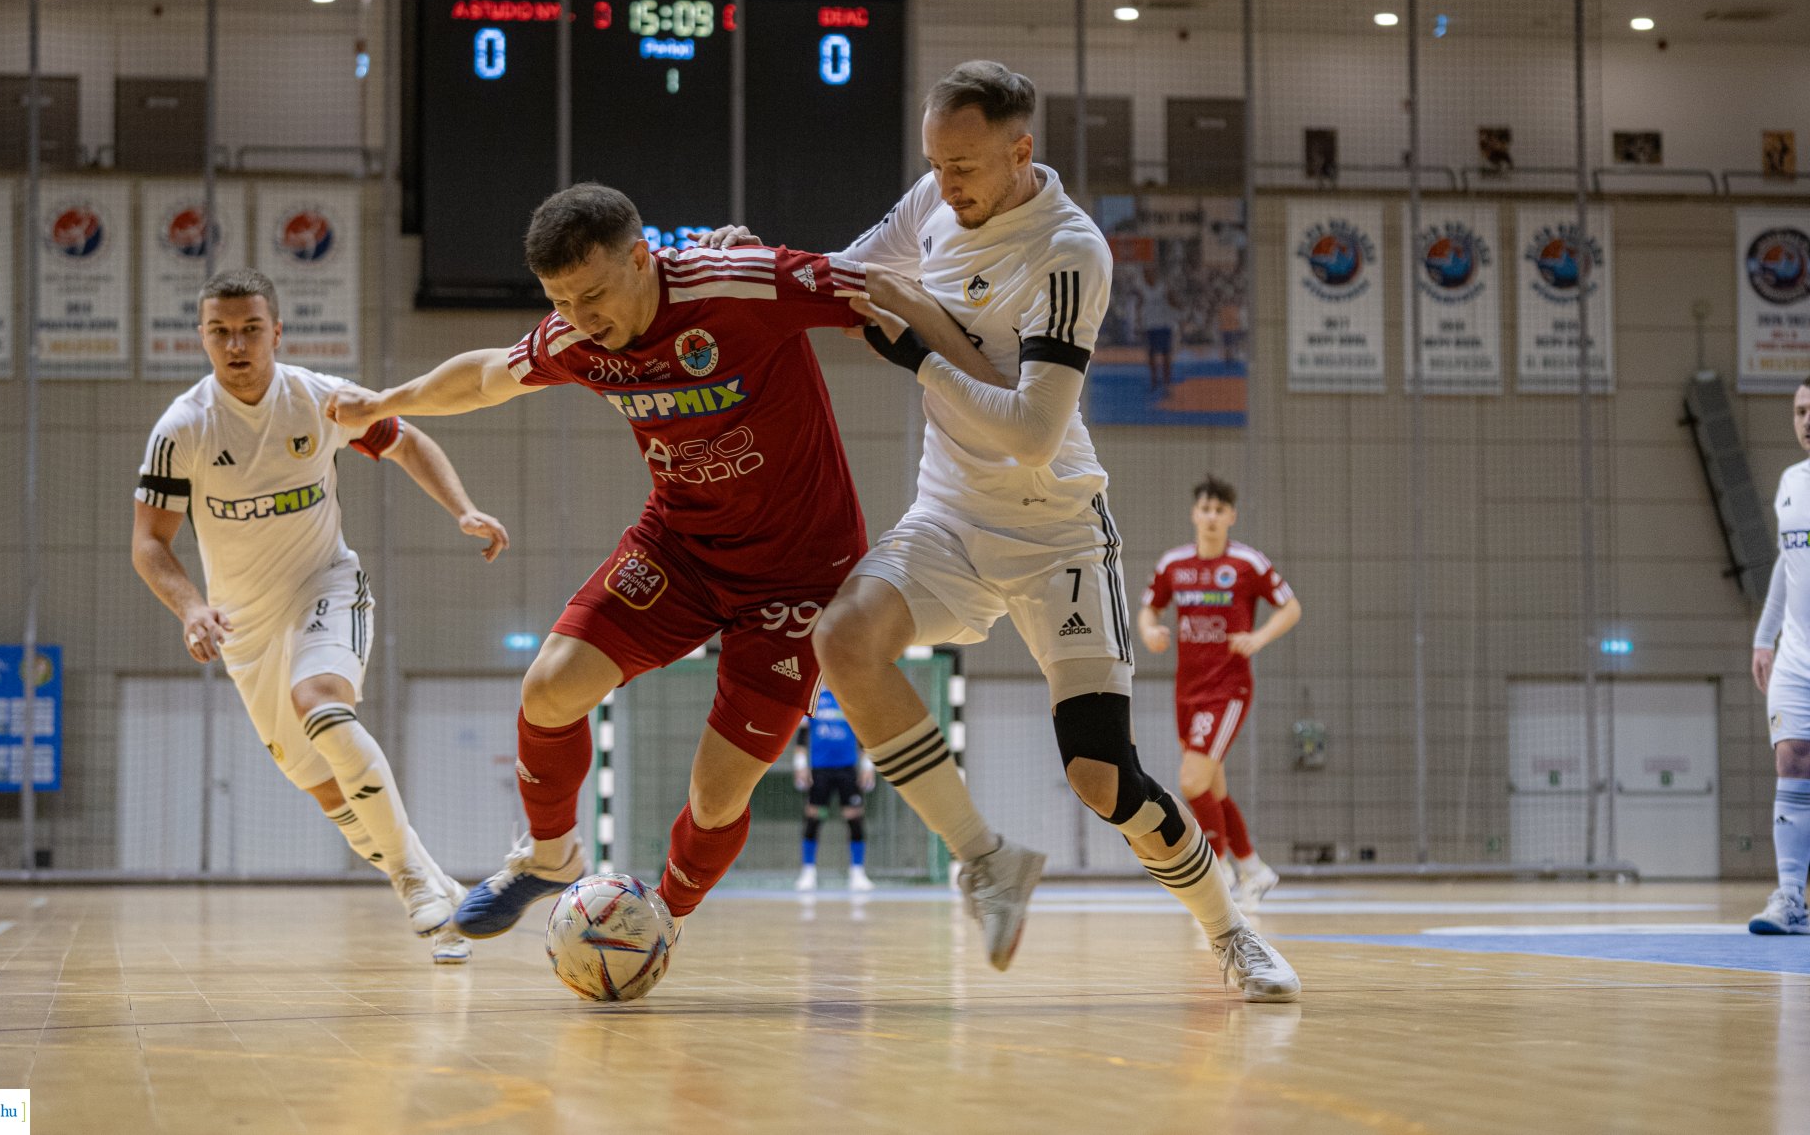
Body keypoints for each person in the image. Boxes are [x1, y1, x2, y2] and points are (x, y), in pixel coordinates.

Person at [710, 60, 1300, 999]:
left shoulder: (1071, 252)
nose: (947, 186)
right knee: (844, 639)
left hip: (1055, 529)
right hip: (947, 515)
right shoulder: (936, 201)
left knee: (1103, 776)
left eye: (966, 167)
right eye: (936, 165)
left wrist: (917, 352)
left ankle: (1230, 931)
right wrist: (753, 264)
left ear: (1021, 152)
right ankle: (986, 856)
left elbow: (1031, 433)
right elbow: (847, 277)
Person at [326, 184, 995, 958]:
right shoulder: (580, 337)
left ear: (642, 258)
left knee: (716, 795)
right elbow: (484, 378)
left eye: (594, 293)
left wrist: (1000, 385)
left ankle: (659, 921)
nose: (580, 317)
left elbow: (877, 286)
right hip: (680, 547)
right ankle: (551, 857)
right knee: (549, 688)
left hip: (800, 578)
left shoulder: (739, 284)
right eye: (560, 300)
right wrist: (384, 401)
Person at [131, 267, 508, 965]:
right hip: (244, 628)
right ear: (202, 338)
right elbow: (150, 543)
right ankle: (434, 878)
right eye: (220, 331)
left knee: (322, 705)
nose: (236, 345)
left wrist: (464, 507)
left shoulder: (317, 401)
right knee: (331, 791)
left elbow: (408, 442)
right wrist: (191, 608)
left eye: (250, 329)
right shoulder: (181, 428)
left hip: (324, 584)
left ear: (277, 332)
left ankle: (409, 882)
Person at [1138, 475, 1301, 911]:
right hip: (1186, 689)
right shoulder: (1174, 563)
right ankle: (1254, 869)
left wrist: (1258, 637)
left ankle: (1220, 870)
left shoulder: (1248, 562)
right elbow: (1148, 607)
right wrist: (1151, 629)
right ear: (1195, 514)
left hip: (1228, 688)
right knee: (1213, 787)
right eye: (1204, 509)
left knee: (1191, 782)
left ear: (1231, 516)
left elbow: (1291, 606)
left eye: (1219, 511)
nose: (1211, 517)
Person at [1748, 377, 1810, 936]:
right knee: (1791, 758)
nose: (1807, 420)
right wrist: (1764, 637)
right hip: (1796, 655)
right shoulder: (1791, 483)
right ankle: (1790, 897)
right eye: (1800, 410)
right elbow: (1786, 565)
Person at [794, 687, 877, 892]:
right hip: (819, 771)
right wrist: (800, 765)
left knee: (854, 817)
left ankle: (857, 873)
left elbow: (864, 738)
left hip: (847, 770)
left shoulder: (850, 697)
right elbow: (802, 738)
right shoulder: (813, 699)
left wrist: (867, 767)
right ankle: (808, 872)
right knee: (814, 816)